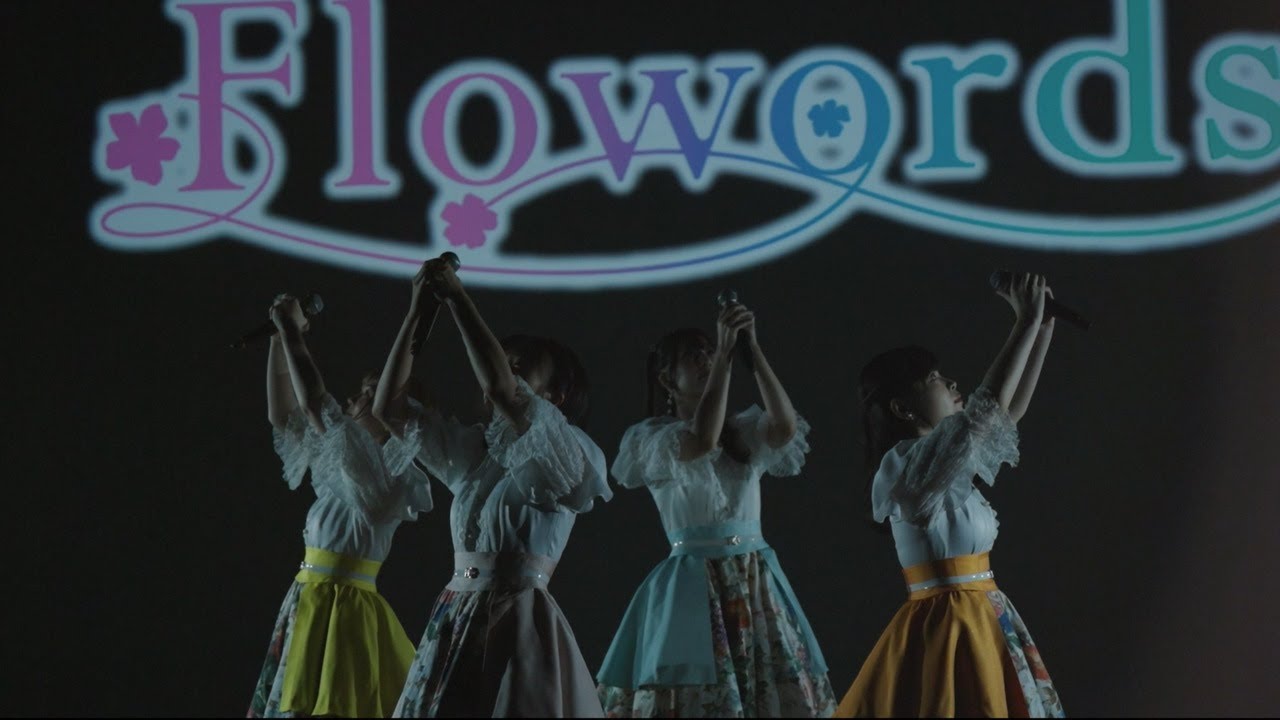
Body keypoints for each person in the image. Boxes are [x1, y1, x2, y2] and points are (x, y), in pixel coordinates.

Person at [374, 259, 611, 718]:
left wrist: (457, 297)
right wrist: (418, 312)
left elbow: (505, 392)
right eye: (504, 361)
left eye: (520, 366)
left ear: (556, 396)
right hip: (456, 615)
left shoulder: (569, 450)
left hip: (516, 623)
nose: (505, 371)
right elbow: (389, 409)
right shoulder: (476, 452)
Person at [834, 272, 1065, 717]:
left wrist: (1041, 328)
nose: (953, 384)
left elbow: (1005, 414)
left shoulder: (947, 467)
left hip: (984, 617)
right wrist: (1022, 323)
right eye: (936, 379)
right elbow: (986, 411)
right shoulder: (905, 467)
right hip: (948, 627)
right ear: (902, 408)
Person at [596, 299, 836, 718]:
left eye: (709, 351)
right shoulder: (652, 439)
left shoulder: (743, 431)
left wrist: (750, 350)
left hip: (754, 578)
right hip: (694, 582)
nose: (707, 359)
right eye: (695, 356)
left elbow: (784, 426)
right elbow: (701, 441)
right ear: (667, 379)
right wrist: (725, 354)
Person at [249, 294, 432, 718]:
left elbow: (316, 405)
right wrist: (279, 340)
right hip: (311, 599)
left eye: (367, 396)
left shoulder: (385, 475)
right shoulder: (345, 472)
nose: (353, 401)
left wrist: (293, 332)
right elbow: (286, 416)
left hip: (343, 612)